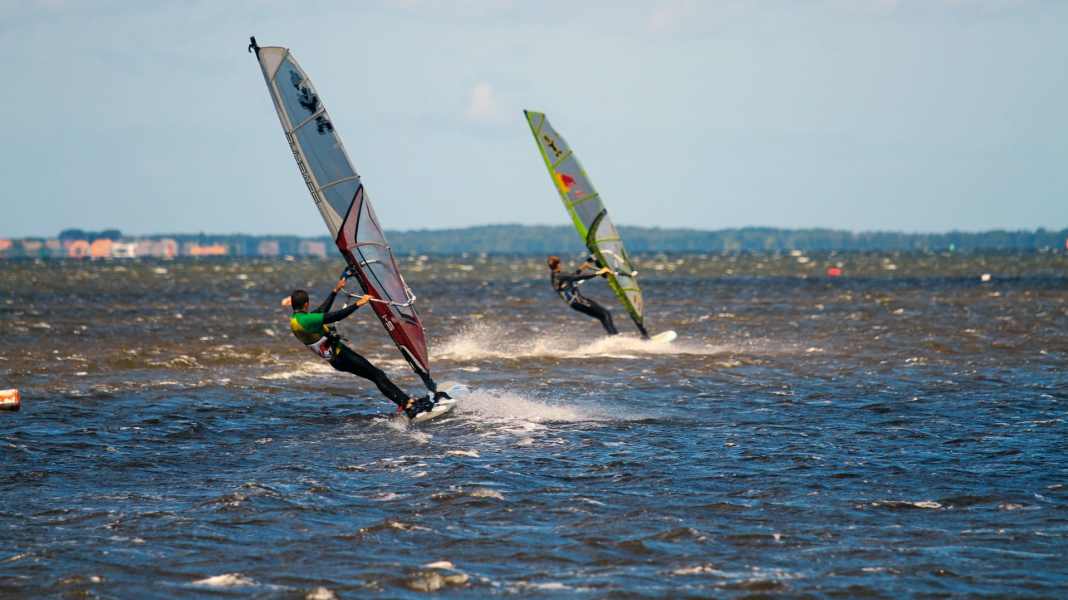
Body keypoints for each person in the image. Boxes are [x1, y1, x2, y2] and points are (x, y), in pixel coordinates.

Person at [284, 276, 435, 419]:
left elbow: (322, 311)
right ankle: (408, 406)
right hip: (341, 356)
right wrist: (358, 303)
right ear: (306, 304)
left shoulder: (296, 321)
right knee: (378, 375)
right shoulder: (306, 321)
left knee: (375, 376)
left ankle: (404, 402)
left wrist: (335, 290)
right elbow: (335, 316)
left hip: (336, 360)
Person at [547, 255, 619, 335]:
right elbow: (577, 277)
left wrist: (582, 268)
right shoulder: (560, 275)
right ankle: (614, 336)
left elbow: (570, 278)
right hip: (578, 301)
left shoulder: (555, 276)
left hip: (575, 303)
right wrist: (598, 273)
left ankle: (613, 336)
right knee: (605, 314)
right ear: (559, 264)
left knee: (602, 316)